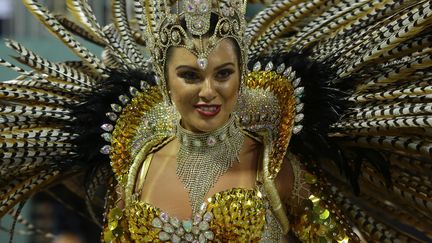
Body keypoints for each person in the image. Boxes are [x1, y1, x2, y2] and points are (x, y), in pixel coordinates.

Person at [1, 0, 431, 242]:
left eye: (223, 74)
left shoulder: (275, 169)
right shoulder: (136, 169)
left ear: (241, 76)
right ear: (164, 79)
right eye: (190, 75)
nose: (209, 91)